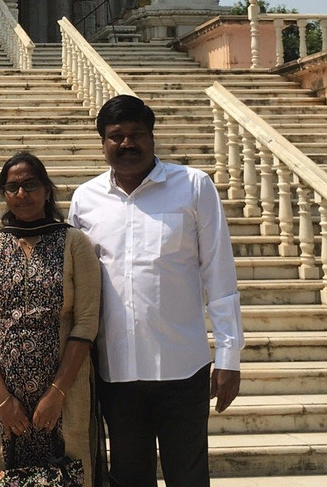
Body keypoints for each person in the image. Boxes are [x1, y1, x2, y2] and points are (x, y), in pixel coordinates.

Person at [68, 95, 244, 487]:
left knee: (189, 475)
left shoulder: (193, 186)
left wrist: (229, 355)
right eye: (116, 136)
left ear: (152, 137)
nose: (127, 144)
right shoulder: (86, 199)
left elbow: (219, 274)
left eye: (137, 135)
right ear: (103, 142)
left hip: (182, 365)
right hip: (117, 368)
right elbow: (78, 284)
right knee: (129, 477)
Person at [0, 152, 102, 487]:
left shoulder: (74, 243)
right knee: (4, 476)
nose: (22, 193)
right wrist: (2, 399)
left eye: (30, 184)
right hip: (3, 399)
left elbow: (86, 323)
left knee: (70, 474)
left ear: (46, 189)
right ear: (4, 193)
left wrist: (57, 392)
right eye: (12, 187)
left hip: (65, 394)